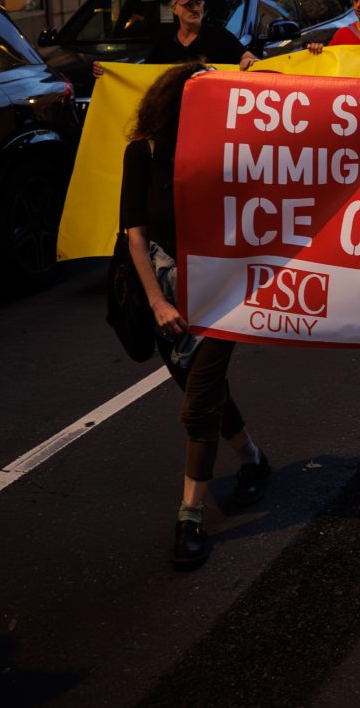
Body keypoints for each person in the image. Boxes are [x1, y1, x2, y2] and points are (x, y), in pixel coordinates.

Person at [119, 63, 271, 570]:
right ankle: (252, 459)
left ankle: (189, 517)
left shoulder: (230, 152)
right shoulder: (143, 152)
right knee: (198, 387)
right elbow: (134, 231)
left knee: (198, 403)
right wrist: (158, 302)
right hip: (165, 288)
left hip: (222, 291)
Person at [144, 0, 253, 67]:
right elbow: (144, 73)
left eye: (198, 3)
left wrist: (247, 60)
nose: (195, 9)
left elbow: (247, 56)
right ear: (174, 9)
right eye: (189, 5)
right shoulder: (163, 43)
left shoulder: (220, 36)